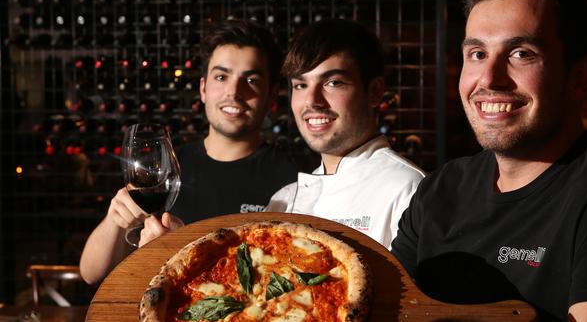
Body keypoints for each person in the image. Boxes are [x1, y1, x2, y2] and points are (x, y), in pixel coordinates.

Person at [391, 0, 587, 321]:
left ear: (580, 77)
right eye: (477, 54)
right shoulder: (439, 190)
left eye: (521, 53)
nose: (490, 78)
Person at [80, 20, 298, 284]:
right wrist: (116, 221)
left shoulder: (294, 180)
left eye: (251, 80)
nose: (233, 91)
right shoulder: (165, 169)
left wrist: (179, 248)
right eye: (221, 77)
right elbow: (92, 274)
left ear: (272, 95)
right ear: (203, 89)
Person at [265, 19, 425, 249]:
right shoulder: (283, 201)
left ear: (374, 92)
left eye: (333, 82)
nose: (312, 100)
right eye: (300, 85)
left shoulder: (408, 188)